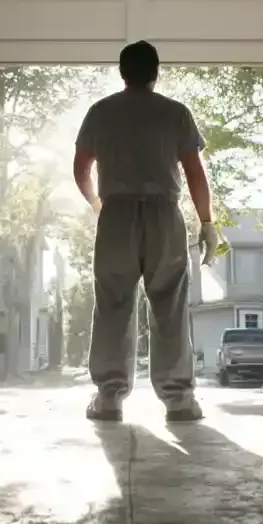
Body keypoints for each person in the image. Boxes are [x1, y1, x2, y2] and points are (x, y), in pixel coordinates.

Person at [72, 40, 221, 423]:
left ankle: (108, 398)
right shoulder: (175, 113)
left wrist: (97, 205)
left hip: (116, 213)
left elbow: (81, 167)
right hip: (163, 215)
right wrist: (207, 223)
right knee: (169, 304)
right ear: (156, 72)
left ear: (122, 72)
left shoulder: (100, 112)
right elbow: (194, 172)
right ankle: (179, 401)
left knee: (113, 304)